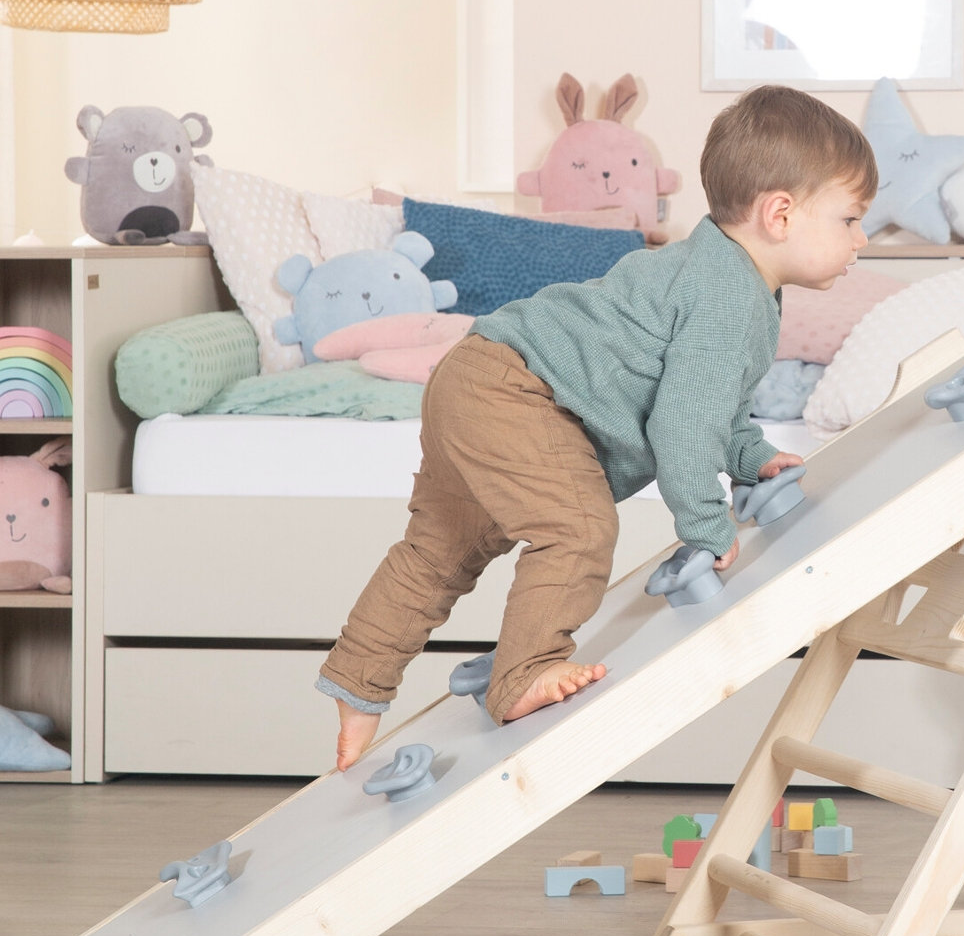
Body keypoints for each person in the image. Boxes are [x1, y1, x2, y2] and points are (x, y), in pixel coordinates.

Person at [318, 85, 876, 770]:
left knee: (440, 549)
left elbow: (710, 400)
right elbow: (681, 424)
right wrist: (705, 522)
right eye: (850, 219)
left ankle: (357, 690)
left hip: (475, 375)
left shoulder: (718, 272)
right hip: (518, 392)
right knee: (578, 529)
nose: (862, 240)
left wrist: (749, 455)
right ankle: (524, 672)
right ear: (781, 213)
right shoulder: (732, 294)